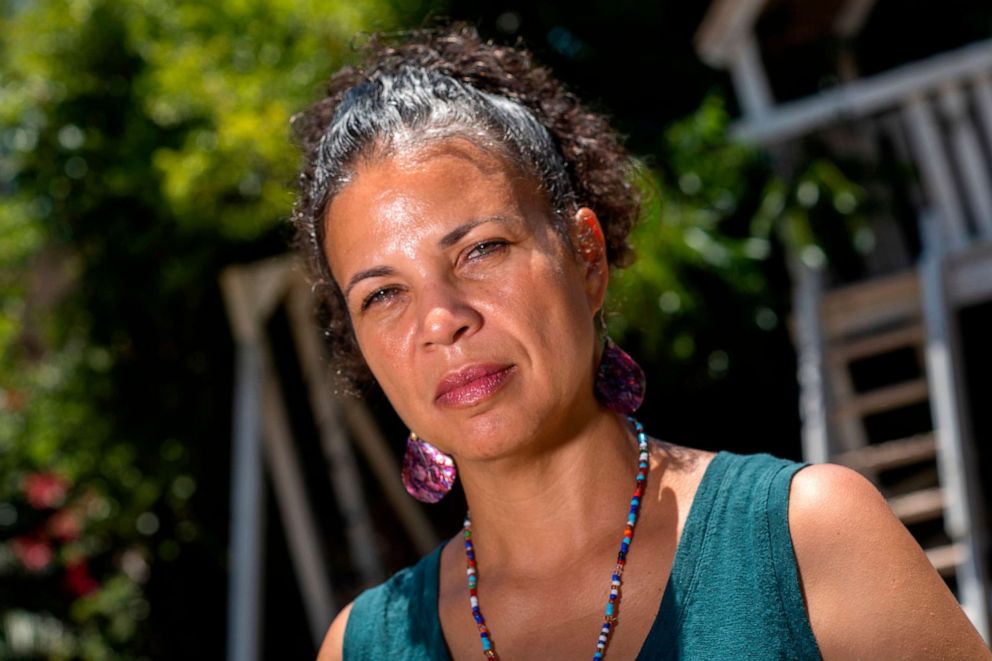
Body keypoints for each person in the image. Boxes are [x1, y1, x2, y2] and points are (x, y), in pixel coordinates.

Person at [292, 24, 989, 660]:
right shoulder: (365, 645)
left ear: (586, 257)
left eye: (481, 250)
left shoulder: (807, 539)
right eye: (382, 294)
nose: (440, 318)